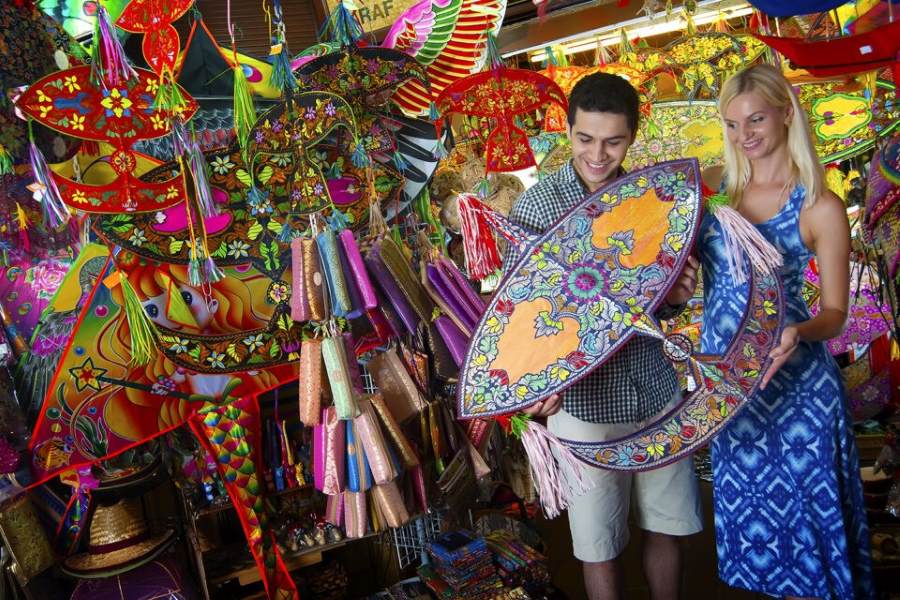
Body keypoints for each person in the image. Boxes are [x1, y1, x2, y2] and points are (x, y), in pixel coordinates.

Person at [505, 72, 703, 600]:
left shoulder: (654, 202)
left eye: (613, 141)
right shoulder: (536, 209)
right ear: (566, 131)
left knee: (667, 525)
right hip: (583, 400)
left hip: (656, 386)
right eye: (585, 138)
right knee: (598, 543)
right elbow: (519, 315)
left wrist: (679, 293)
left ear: (632, 137)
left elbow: (664, 292)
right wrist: (535, 388)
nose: (598, 153)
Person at [699, 63, 873, 598]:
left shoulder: (819, 204)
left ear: (786, 114)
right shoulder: (715, 196)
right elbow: (693, 283)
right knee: (751, 540)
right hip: (733, 393)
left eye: (755, 120)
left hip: (798, 395)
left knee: (807, 534)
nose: (742, 135)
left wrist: (799, 329)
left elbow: (836, 313)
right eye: (731, 124)